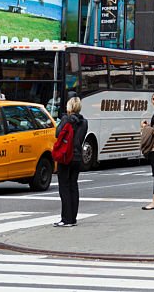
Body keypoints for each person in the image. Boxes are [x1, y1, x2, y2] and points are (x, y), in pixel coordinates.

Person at [54, 97, 88, 227]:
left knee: (64, 187)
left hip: (65, 157)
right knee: (74, 186)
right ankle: (73, 218)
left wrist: (65, 120)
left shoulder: (65, 120)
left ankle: (66, 218)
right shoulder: (84, 122)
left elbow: (58, 133)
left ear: (69, 107)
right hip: (77, 157)